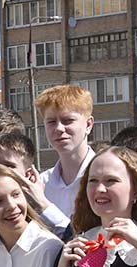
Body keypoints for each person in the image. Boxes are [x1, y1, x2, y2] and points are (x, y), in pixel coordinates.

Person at [0, 132, 70, 238]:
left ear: (28, 174)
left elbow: (72, 236)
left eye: (8, 166)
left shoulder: (42, 214)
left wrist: (41, 204)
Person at [35, 85, 96, 219]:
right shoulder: (41, 184)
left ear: (88, 124)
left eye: (68, 121)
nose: (59, 128)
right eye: (51, 122)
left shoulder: (105, 178)